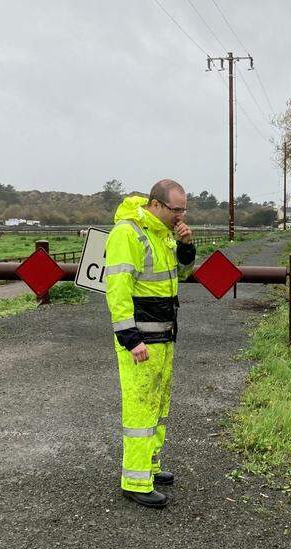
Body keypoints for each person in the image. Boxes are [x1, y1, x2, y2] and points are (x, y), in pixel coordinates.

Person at [103, 179, 195, 508]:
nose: (181, 215)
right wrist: (130, 338)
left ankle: (151, 466)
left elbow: (178, 275)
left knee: (158, 405)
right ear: (156, 205)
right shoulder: (127, 234)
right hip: (141, 339)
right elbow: (118, 289)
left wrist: (186, 245)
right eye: (176, 209)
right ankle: (135, 481)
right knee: (140, 407)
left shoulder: (162, 233)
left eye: (184, 209)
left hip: (164, 334)